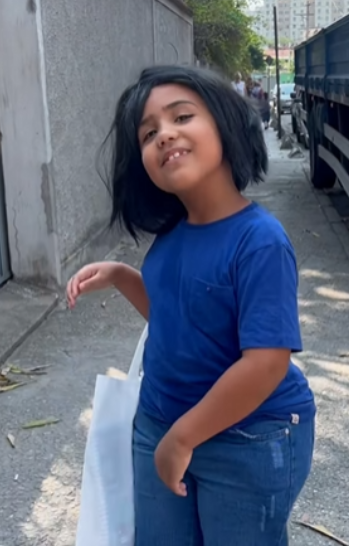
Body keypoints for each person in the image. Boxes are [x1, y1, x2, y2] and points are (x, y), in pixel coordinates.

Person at [66, 65, 315, 546]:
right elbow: (175, 322)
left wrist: (183, 438)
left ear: (223, 123)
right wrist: (122, 277)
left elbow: (265, 363)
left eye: (182, 116)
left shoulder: (260, 240)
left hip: (248, 437)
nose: (165, 135)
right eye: (149, 132)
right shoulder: (171, 235)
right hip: (161, 426)